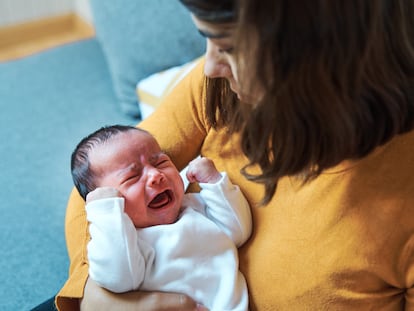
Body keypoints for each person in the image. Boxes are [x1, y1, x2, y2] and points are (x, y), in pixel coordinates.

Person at [52, 0, 414, 310]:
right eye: (209, 40)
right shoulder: (220, 90)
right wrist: (92, 294)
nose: (209, 66)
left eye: (228, 47)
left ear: (313, 55)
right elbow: (95, 182)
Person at [70, 125, 251, 311]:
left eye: (161, 162)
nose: (156, 175)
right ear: (111, 200)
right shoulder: (127, 244)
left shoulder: (196, 207)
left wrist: (214, 182)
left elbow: (238, 231)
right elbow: (117, 279)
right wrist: (105, 214)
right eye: (132, 176)